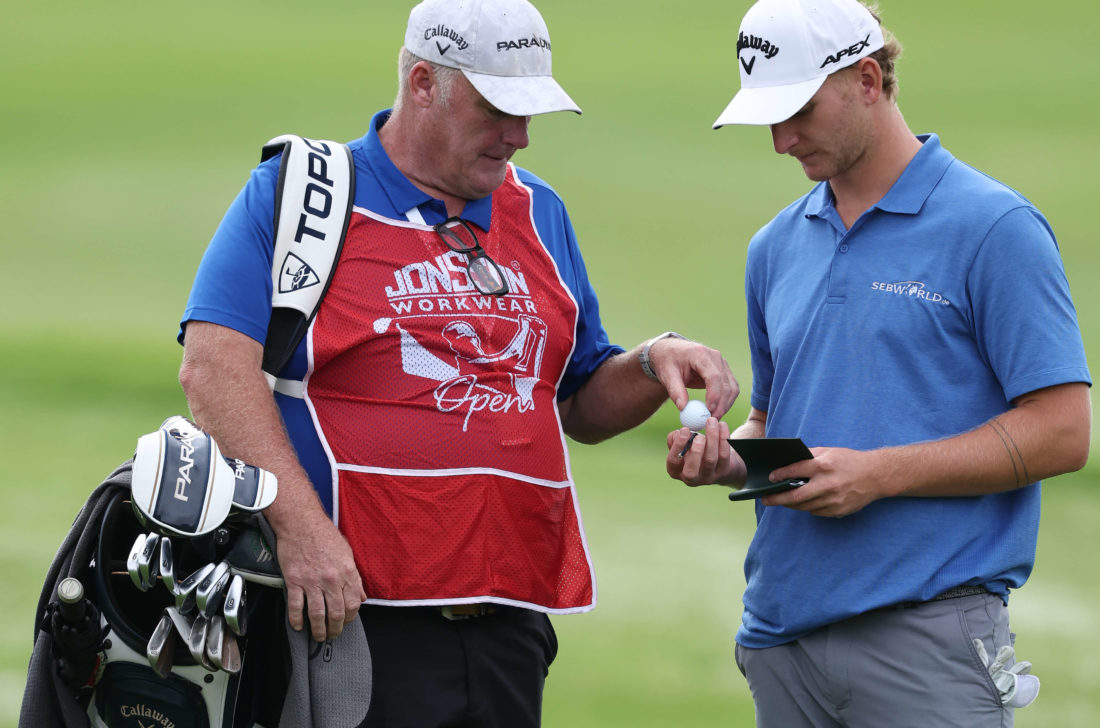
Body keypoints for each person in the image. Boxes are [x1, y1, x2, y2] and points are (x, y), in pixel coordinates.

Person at [177, 0, 738, 725]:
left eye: (530, 112)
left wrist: (652, 360)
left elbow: (576, 402)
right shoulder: (302, 195)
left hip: (508, 620)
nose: (520, 136)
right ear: (421, 84)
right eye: (497, 108)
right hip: (348, 616)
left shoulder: (540, 213)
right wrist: (302, 531)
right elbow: (213, 369)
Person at [666, 0, 1091, 726]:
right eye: (766, 118)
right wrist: (729, 457)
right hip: (781, 639)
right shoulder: (774, 246)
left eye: (797, 109)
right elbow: (777, 421)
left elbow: (1063, 431)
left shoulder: (995, 229)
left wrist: (877, 475)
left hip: (927, 643)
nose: (780, 140)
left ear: (868, 78)